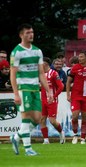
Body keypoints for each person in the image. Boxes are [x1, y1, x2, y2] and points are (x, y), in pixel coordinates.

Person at [10, 23, 52, 156]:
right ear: (21, 35)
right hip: (23, 89)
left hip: (35, 89)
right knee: (26, 117)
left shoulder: (37, 51)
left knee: (37, 119)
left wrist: (48, 91)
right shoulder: (16, 52)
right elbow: (12, 74)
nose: (31, 34)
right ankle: (28, 149)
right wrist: (16, 94)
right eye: (28, 32)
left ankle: (16, 137)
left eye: (32, 32)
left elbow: (41, 73)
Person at [40, 57, 65, 144]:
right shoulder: (41, 74)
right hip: (43, 100)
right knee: (42, 119)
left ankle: (61, 132)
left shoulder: (54, 73)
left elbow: (61, 86)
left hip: (52, 101)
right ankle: (46, 140)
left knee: (52, 121)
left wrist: (54, 97)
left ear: (45, 64)